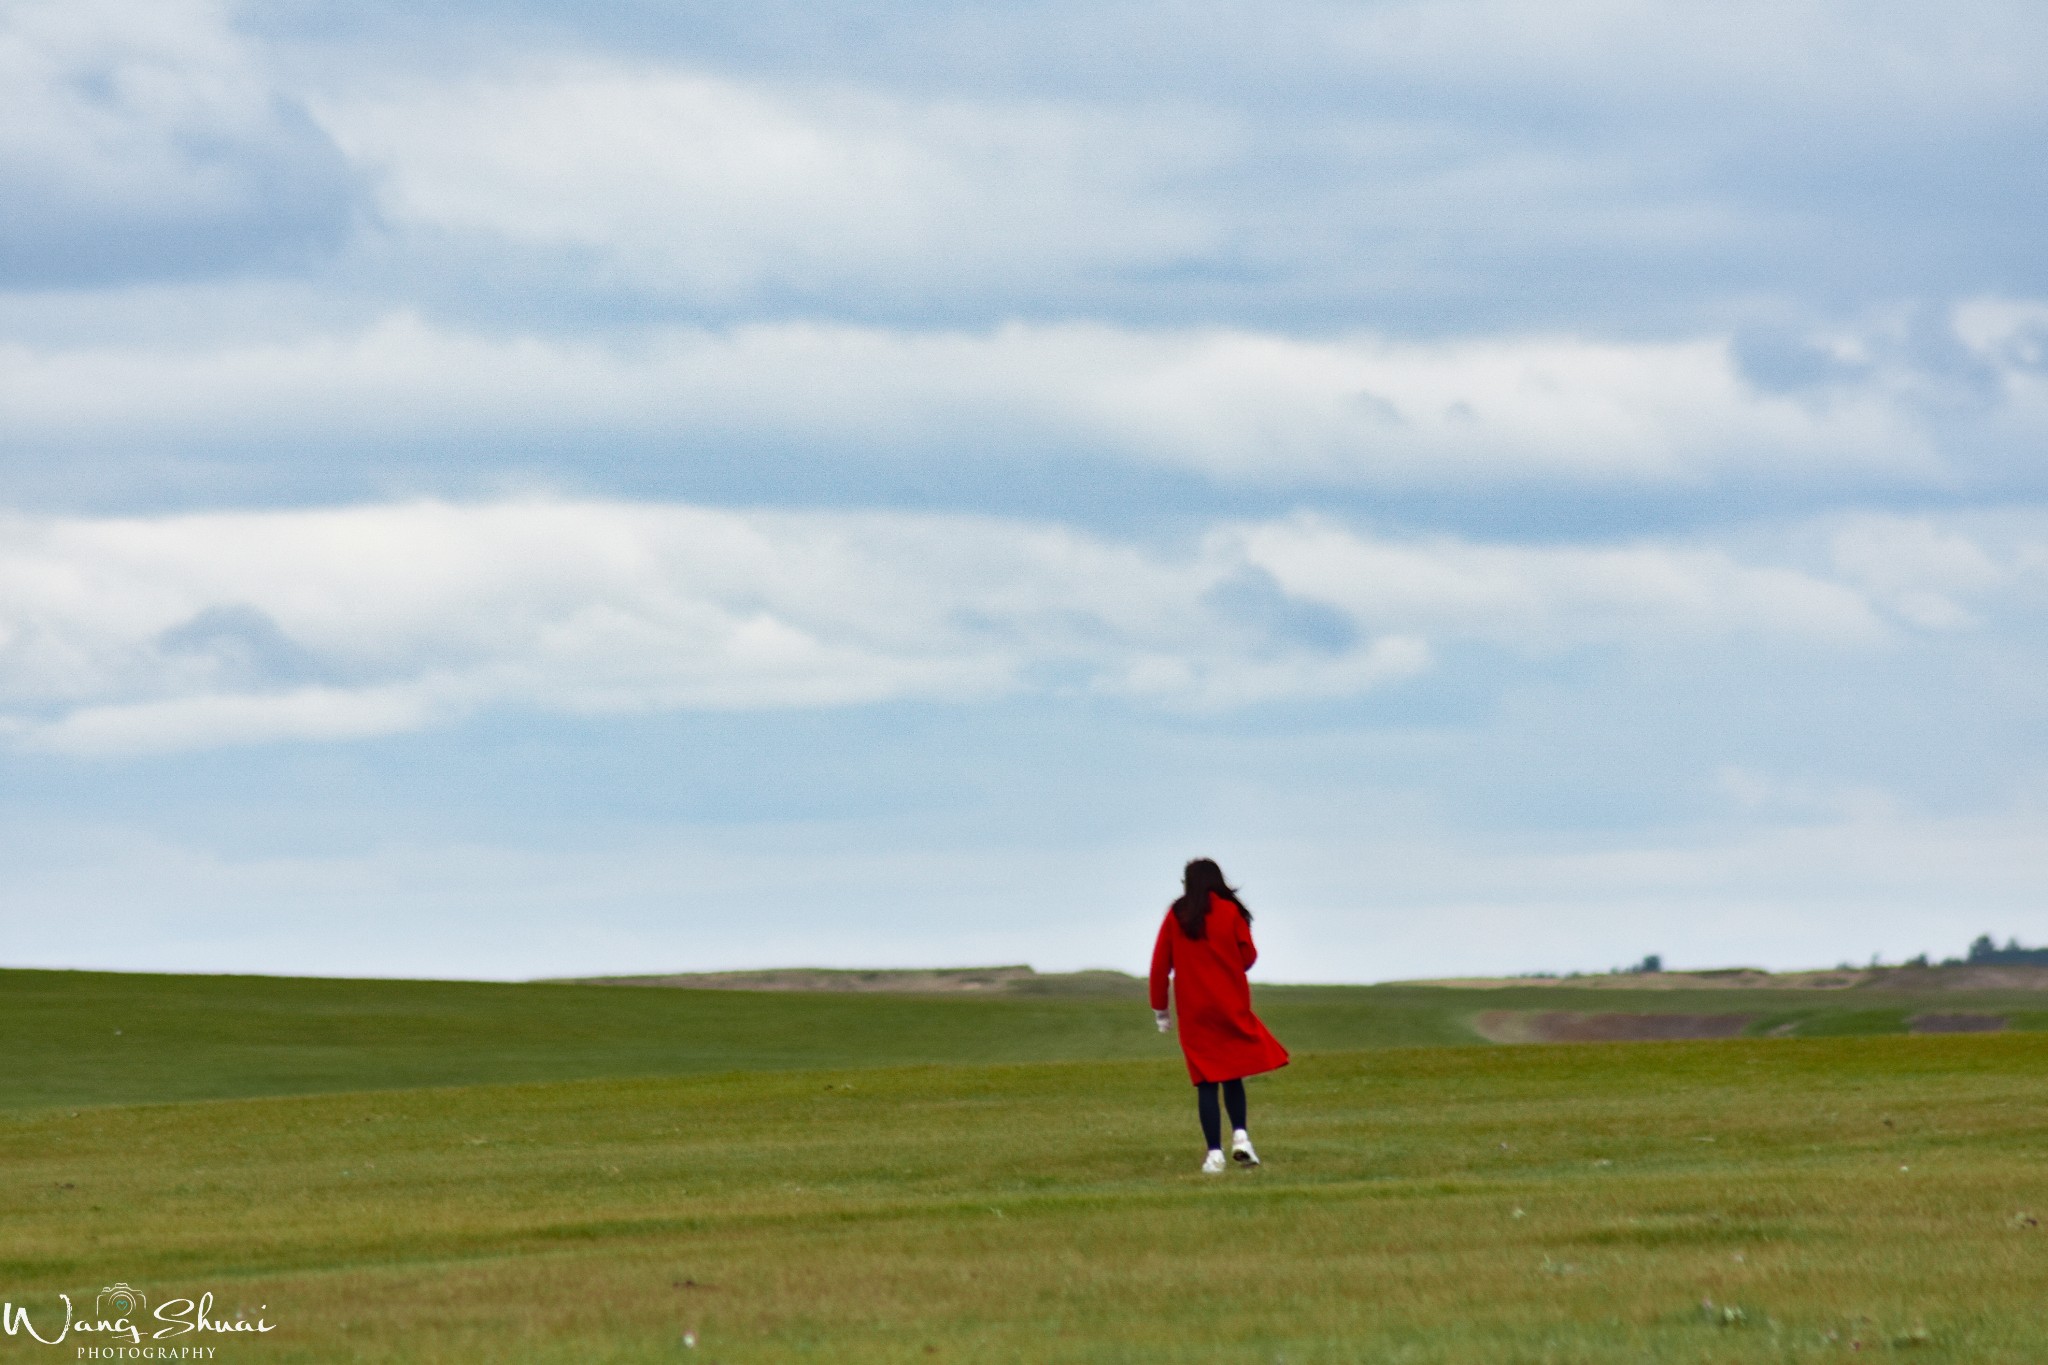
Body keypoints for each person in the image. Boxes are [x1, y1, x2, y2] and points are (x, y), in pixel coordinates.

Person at [1149, 858, 1289, 1173]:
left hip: (1194, 1011)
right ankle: (1241, 1136)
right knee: (1233, 1072)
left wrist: (1161, 1010)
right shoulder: (1230, 911)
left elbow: (1160, 965)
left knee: (1206, 1081)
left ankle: (1214, 1154)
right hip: (1230, 1004)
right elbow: (1248, 957)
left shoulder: (1177, 914)